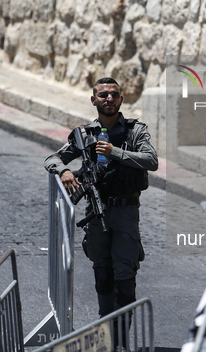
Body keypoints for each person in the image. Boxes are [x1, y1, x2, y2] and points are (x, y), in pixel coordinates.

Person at [44, 77, 158, 339]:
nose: (109, 99)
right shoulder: (84, 136)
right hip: (96, 213)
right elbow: (53, 158)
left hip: (126, 212)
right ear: (93, 100)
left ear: (121, 99)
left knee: (125, 277)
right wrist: (63, 171)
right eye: (104, 95)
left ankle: (120, 340)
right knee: (103, 274)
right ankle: (106, 335)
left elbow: (151, 160)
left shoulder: (134, 131)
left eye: (115, 95)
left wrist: (115, 152)